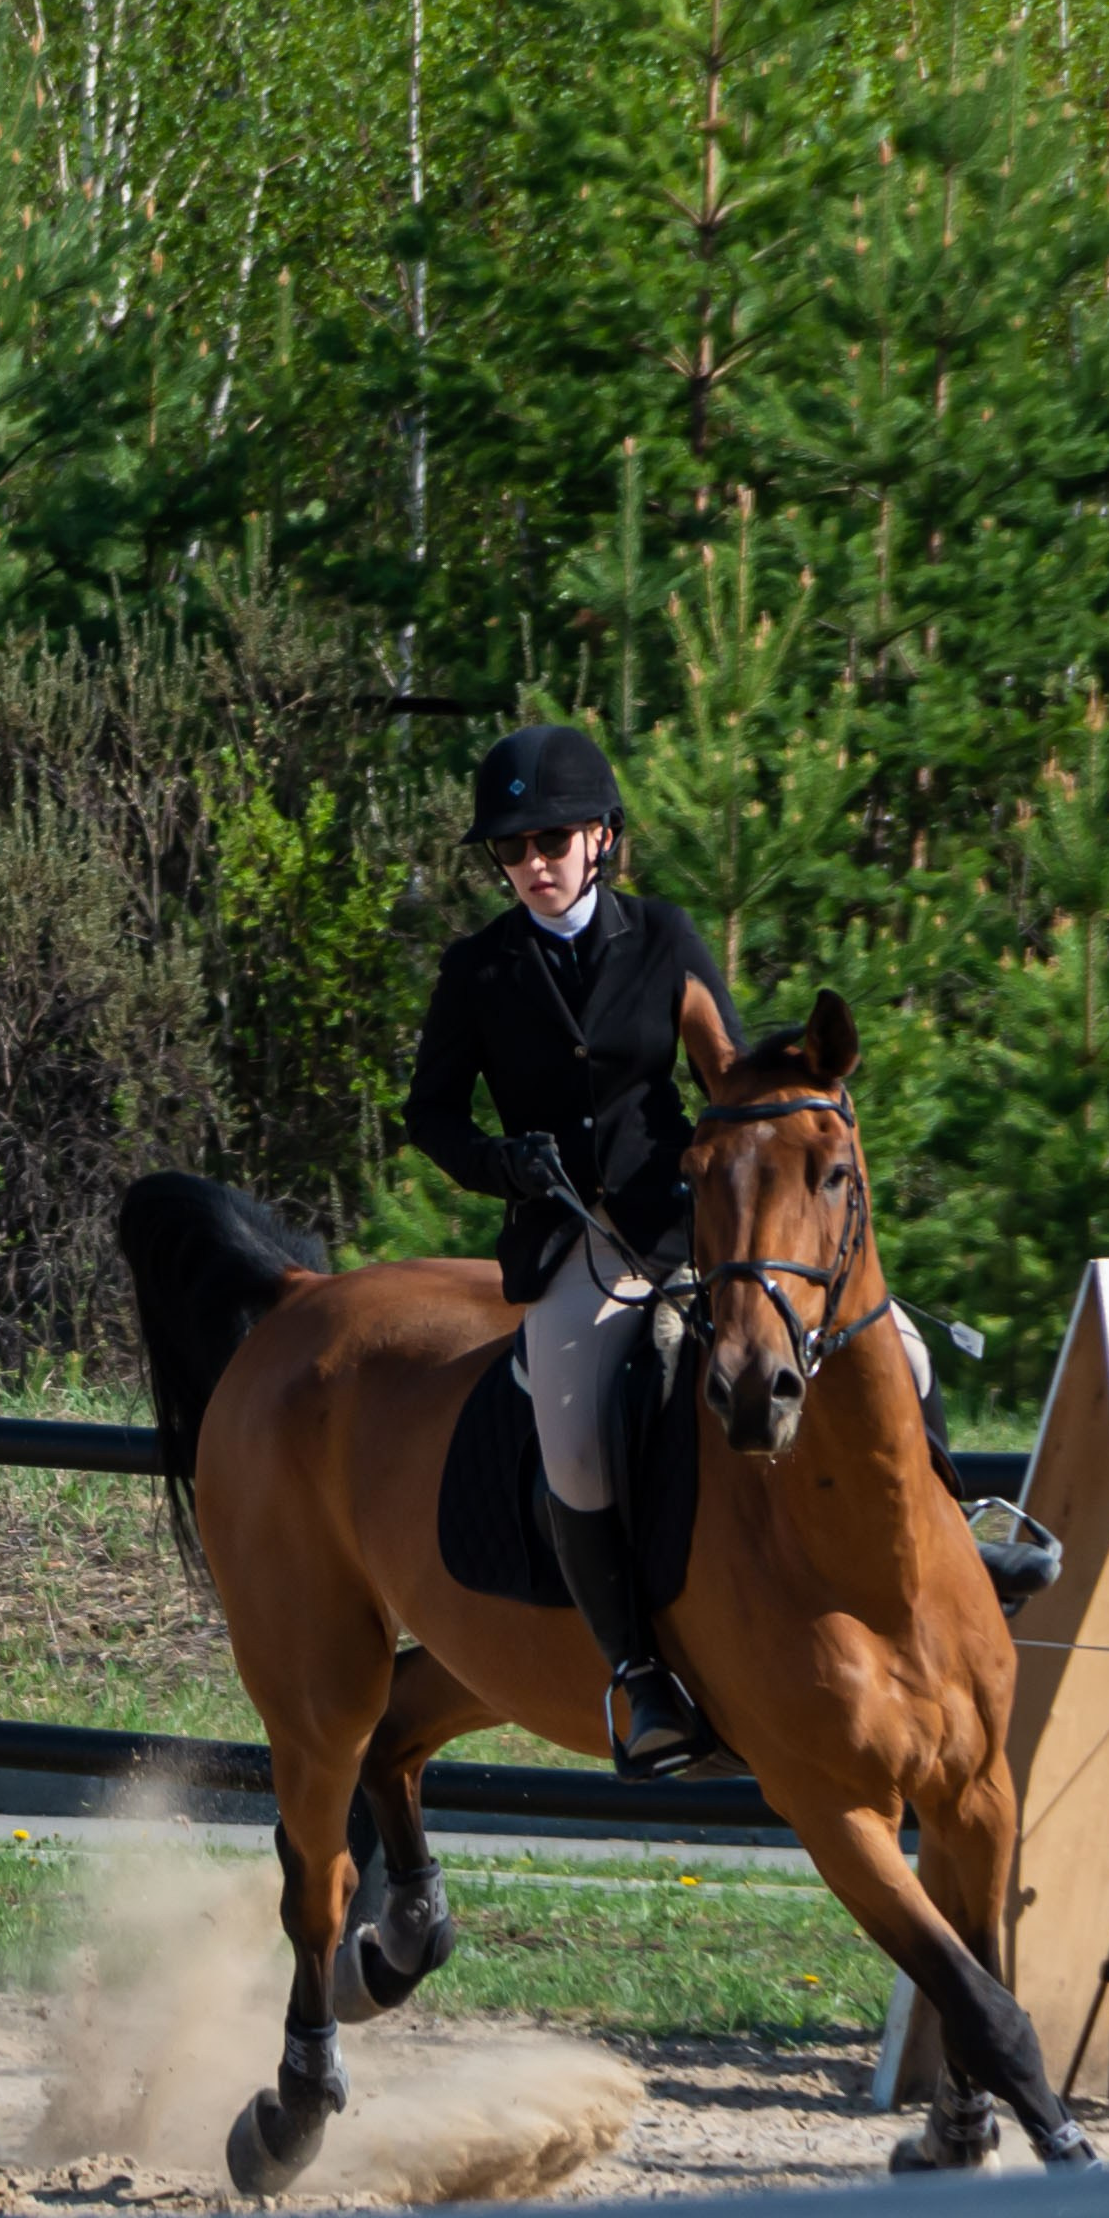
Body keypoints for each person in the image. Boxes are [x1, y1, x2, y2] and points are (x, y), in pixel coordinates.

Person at [404, 724, 743, 1779]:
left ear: (601, 836)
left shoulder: (666, 940)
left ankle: (958, 1523)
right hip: (571, 1257)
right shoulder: (479, 970)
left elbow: (724, 1077)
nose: (531, 864)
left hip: (681, 1233)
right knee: (574, 1439)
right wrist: (499, 1163)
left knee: (875, 1347)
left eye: (550, 838)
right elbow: (429, 1116)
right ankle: (639, 1675)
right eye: (509, 850)